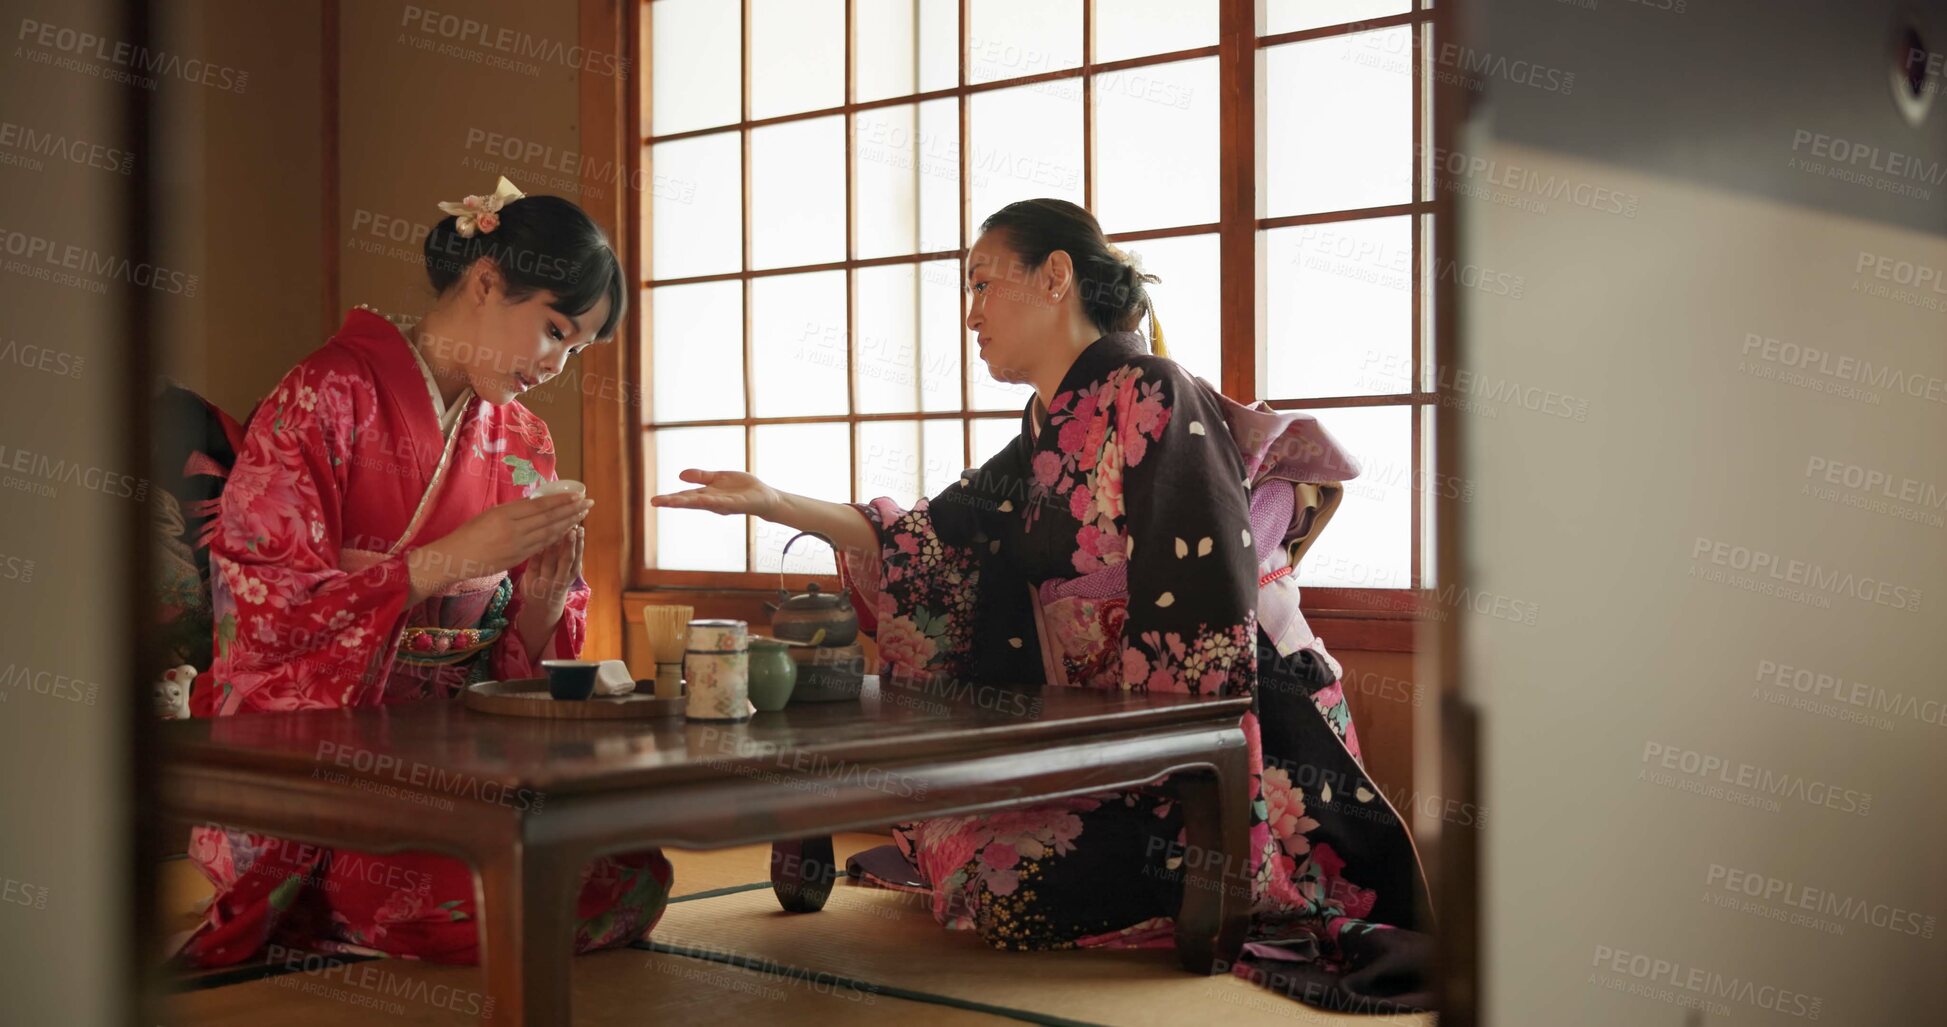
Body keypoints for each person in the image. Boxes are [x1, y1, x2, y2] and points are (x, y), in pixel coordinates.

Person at [652, 198, 1430, 1010]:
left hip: (1229, 728)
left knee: (999, 880)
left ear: (1056, 276)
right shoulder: (1045, 427)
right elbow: (929, 535)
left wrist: (1175, 767)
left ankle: (1220, 871)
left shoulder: (1155, 393)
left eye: (983, 284)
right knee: (946, 837)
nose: (970, 315)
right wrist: (774, 501)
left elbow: (1200, 610)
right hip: (1113, 728)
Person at [172, 178, 672, 967]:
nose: (556, 364)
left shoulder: (523, 441)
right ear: (484, 281)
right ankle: (315, 900)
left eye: (574, 349)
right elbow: (266, 617)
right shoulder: (322, 397)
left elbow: (517, 665)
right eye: (552, 329)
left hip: (456, 768)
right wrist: (450, 561)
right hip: (336, 770)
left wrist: (538, 612)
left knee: (626, 875)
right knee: (463, 901)